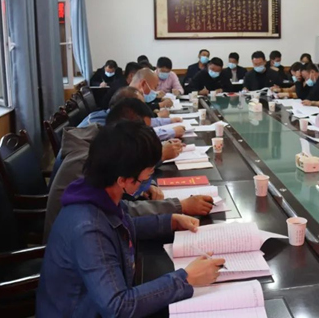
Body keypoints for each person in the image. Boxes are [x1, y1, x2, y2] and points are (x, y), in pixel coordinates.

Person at [38, 120, 224, 317]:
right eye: (145, 177)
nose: (146, 183)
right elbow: (118, 307)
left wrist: (170, 221)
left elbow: (122, 224)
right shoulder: (89, 228)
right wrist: (186, 279)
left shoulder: (97, 191)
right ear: (123, 180)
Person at [44, 98, 213, 242]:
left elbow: (120, 211)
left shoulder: (104, 147)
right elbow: (121, 211)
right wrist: (179, 206)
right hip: (73, 247)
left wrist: (167, 215)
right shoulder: (88, 161)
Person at [80, 86, 185, 141]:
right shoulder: (101, 128)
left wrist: (169, 121)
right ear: (128, 109)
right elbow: (133, 149)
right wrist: (171, 132)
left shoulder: (116, 118)